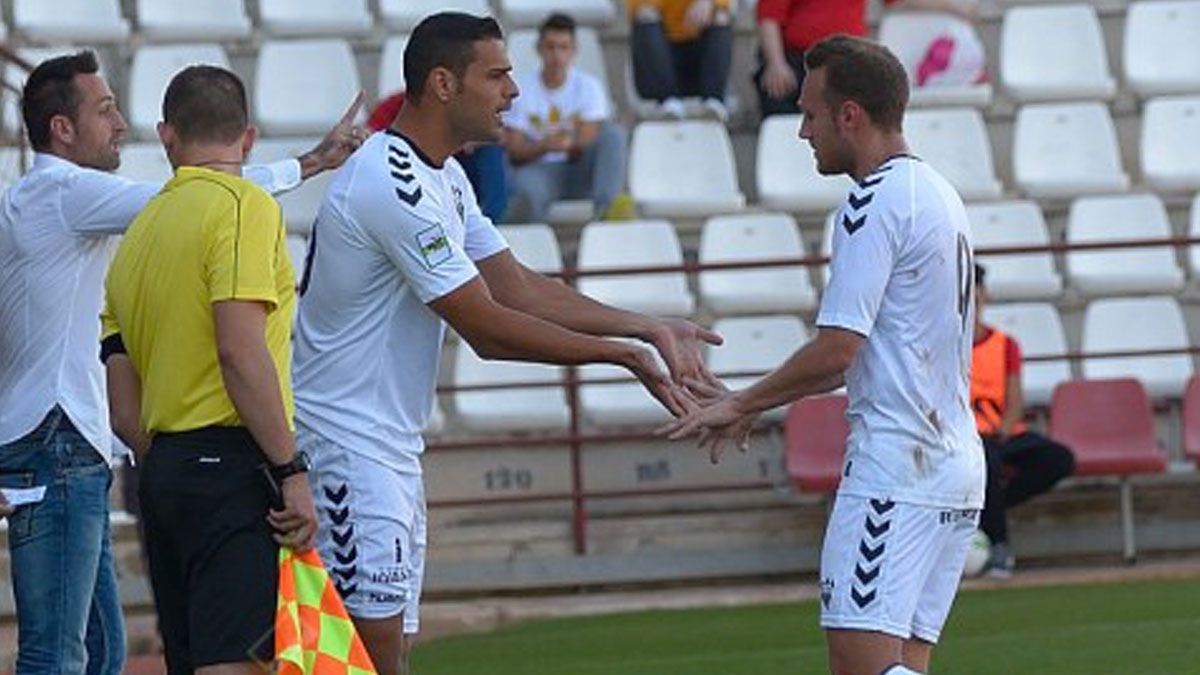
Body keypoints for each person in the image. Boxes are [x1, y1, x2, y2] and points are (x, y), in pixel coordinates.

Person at [292, 12, 720, 675]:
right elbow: (488, 328)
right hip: (346, 448)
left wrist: (646, 326)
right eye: (497, 74)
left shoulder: (444, 177)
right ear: (442, 83)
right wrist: (621, 356)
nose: (513, 92)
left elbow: (516, 288)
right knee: (358, 658)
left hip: (388, 447)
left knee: (387, 653)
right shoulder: (392, 182)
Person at [0, 50, 359, 675]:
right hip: (68, 440)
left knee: (102, 651)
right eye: (106, 109)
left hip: (104, 447)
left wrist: (162, 453)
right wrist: (309, 163)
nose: (122, 124)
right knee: (62, 654)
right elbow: (202, 204)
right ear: (61, 128)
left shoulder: (96, 227)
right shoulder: (72, 196)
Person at [662, 36, 984, 675]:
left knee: (858, 667)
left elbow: (838, 350)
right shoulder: (938, 193)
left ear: (851, 116)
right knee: (902, 666)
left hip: (898, 468)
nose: (802, 131)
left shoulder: (871, 201)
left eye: (810, 114)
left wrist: (741, 401)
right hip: (953, 465)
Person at [100, 65, 322, 674]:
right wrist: (290, 469)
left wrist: (176, 457)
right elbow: (239, 350)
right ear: (248, 139)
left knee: (193, 655)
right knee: (235, 663)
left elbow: (123, 409)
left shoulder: (137, 234)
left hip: (162, 472)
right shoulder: (244, 205)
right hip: (231, 463)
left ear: (166, 136)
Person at [971, 264, 1074, 578]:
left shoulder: (1005, 344)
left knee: (1059, 459)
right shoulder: (940, 342)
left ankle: (984, 513)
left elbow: (1015, 399)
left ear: (984, 295)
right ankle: (999, 544)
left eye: (977, 292)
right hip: (965, 437)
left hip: (1001, 433)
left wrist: (1004, 429)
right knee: (985, 461)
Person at [754, 0, 976, 118]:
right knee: (779, 91)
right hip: (799, 60)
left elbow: (900, 0)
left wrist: (953, 6)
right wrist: (776, 63)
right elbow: (768, 17)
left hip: (848, 59)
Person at [504, 12, 628, 223]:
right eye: (550, 47)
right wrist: (545, 146)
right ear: (539, 49)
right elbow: (515, 149)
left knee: (614, 135)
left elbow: (589, 137)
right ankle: (535, 247)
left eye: (563, 47)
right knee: (527, 192)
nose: (557, 55)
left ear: (574, 50)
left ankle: (606, 216)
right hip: (539, 169)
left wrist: (564, 143)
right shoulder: (521, 89)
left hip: (579, 167)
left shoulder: (589, 87)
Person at [368, 90, 509, 222]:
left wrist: (473, 137)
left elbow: (502, 136)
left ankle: (491, 223)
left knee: (490, 152)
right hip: (410, 165)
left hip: (460, 164)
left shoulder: (463, 103)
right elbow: (371, 136)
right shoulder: (399, 104)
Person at [627, 0, 733, 121]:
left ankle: (713, 100)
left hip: (699, 57)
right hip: (658, 59)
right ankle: (667, 101)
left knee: (720, 16)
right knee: (646, 15)